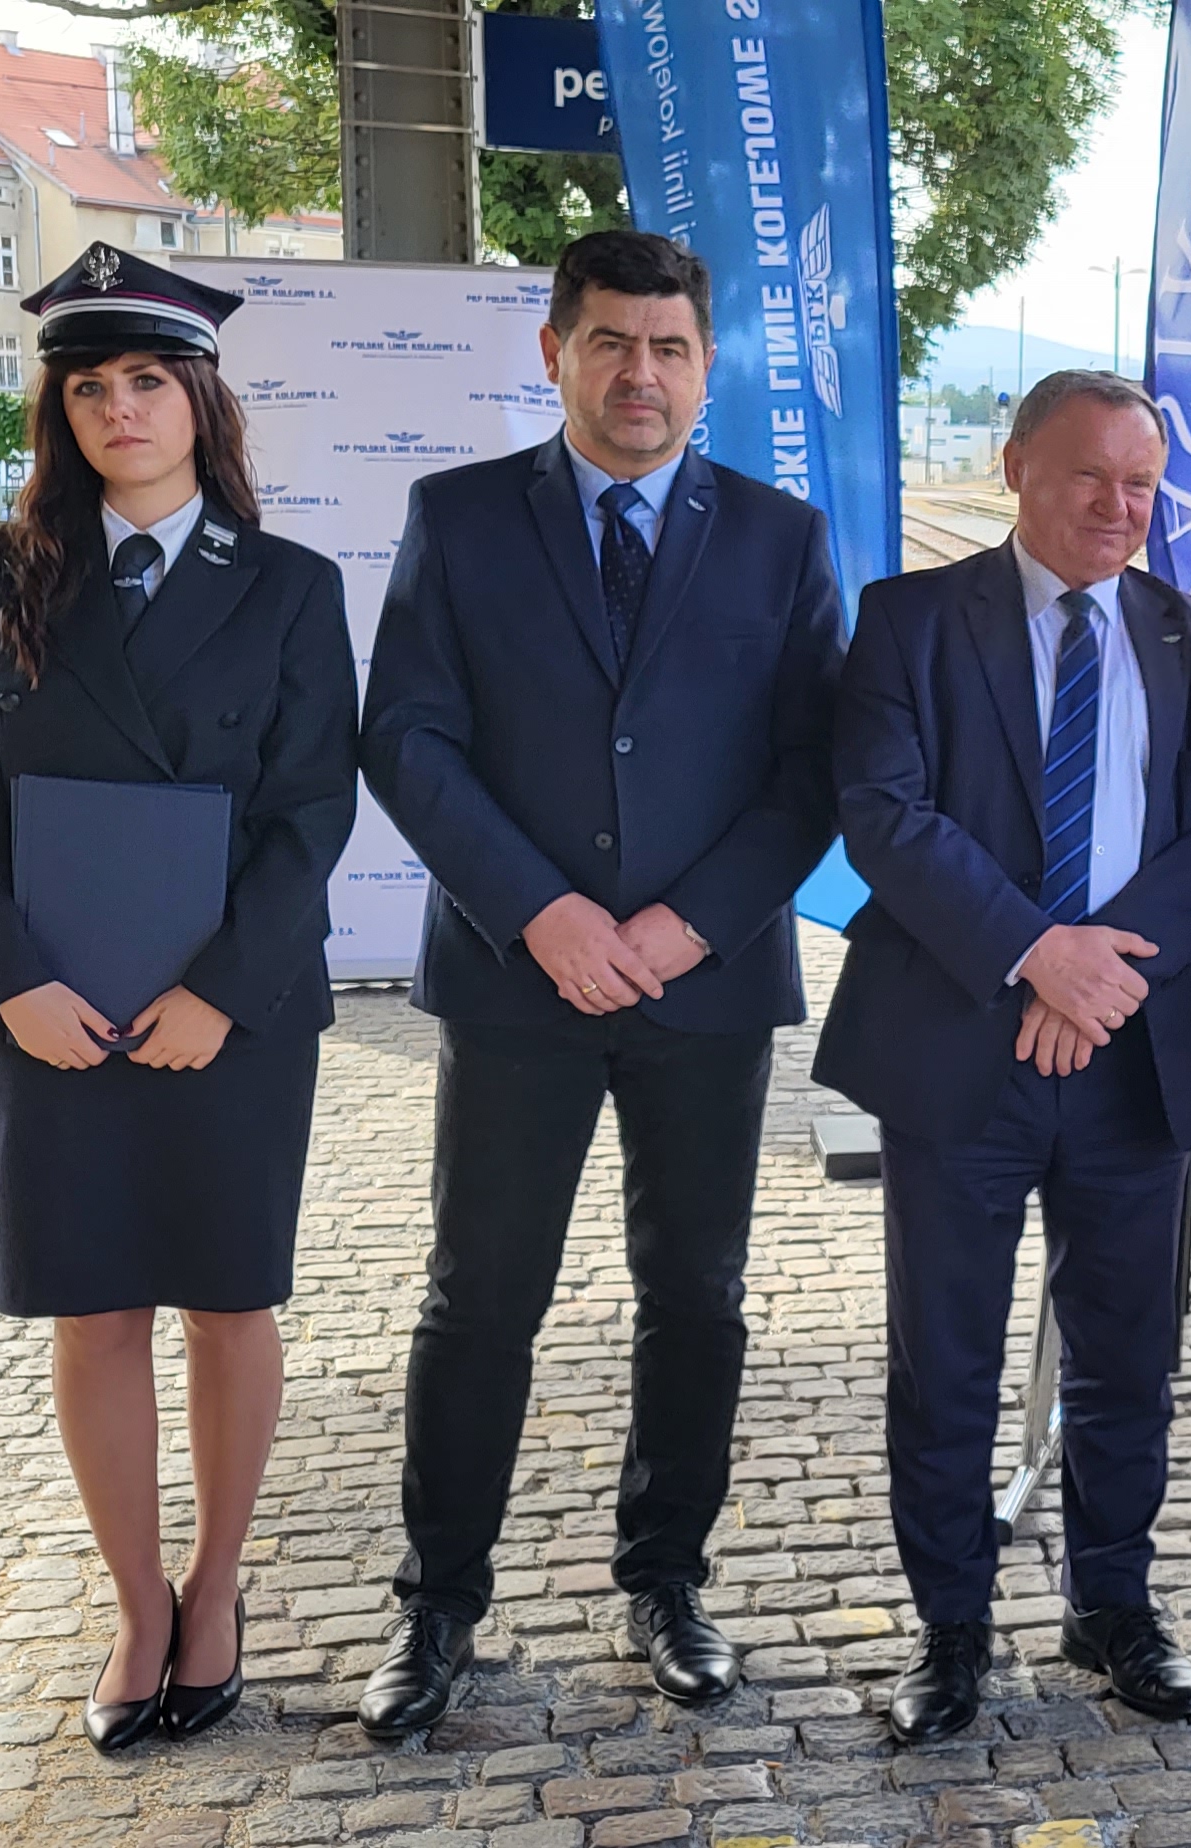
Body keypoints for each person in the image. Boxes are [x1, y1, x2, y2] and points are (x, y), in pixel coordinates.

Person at [351, 229, 846, 1738]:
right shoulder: (459, 519)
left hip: (703, 989)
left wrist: (691, 925)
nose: (643, 373)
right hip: (522, 986)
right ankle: (438, 1604)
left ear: (707, 367)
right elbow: (408, 739)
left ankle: (668, 1580)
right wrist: (541, 913)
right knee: (479, 1296)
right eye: (613, 342)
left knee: (696, 1297)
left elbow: (815, 767)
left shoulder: (781, 538)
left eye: (670, 347)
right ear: (554, 351)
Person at [0, 245, 356, 1753]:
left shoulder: (291, 586)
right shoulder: (0, 573)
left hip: (227, 1011)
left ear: (200, 399)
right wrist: (9, 984)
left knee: (229, 1302)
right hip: (55, 1009)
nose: (119, 409)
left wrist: (223, 989)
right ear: (62, 414)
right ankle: (137, 1606)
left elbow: (312, 808)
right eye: (89, 387)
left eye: (147, 380)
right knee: (94, 1311)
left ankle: (216, 1591)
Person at [815, 369, 1191, 1745]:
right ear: (1015, 467)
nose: (1119, 507)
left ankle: (1113, 1605)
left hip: (1133, 1047)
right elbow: (885, 817)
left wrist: (1100, 971)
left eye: (1142, 485)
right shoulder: (908, 621)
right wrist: (1034, 953)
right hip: (958, 1043)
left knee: (1129, 1357)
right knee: (947, 1359)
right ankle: (951, 1626)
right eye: (1090, 476)